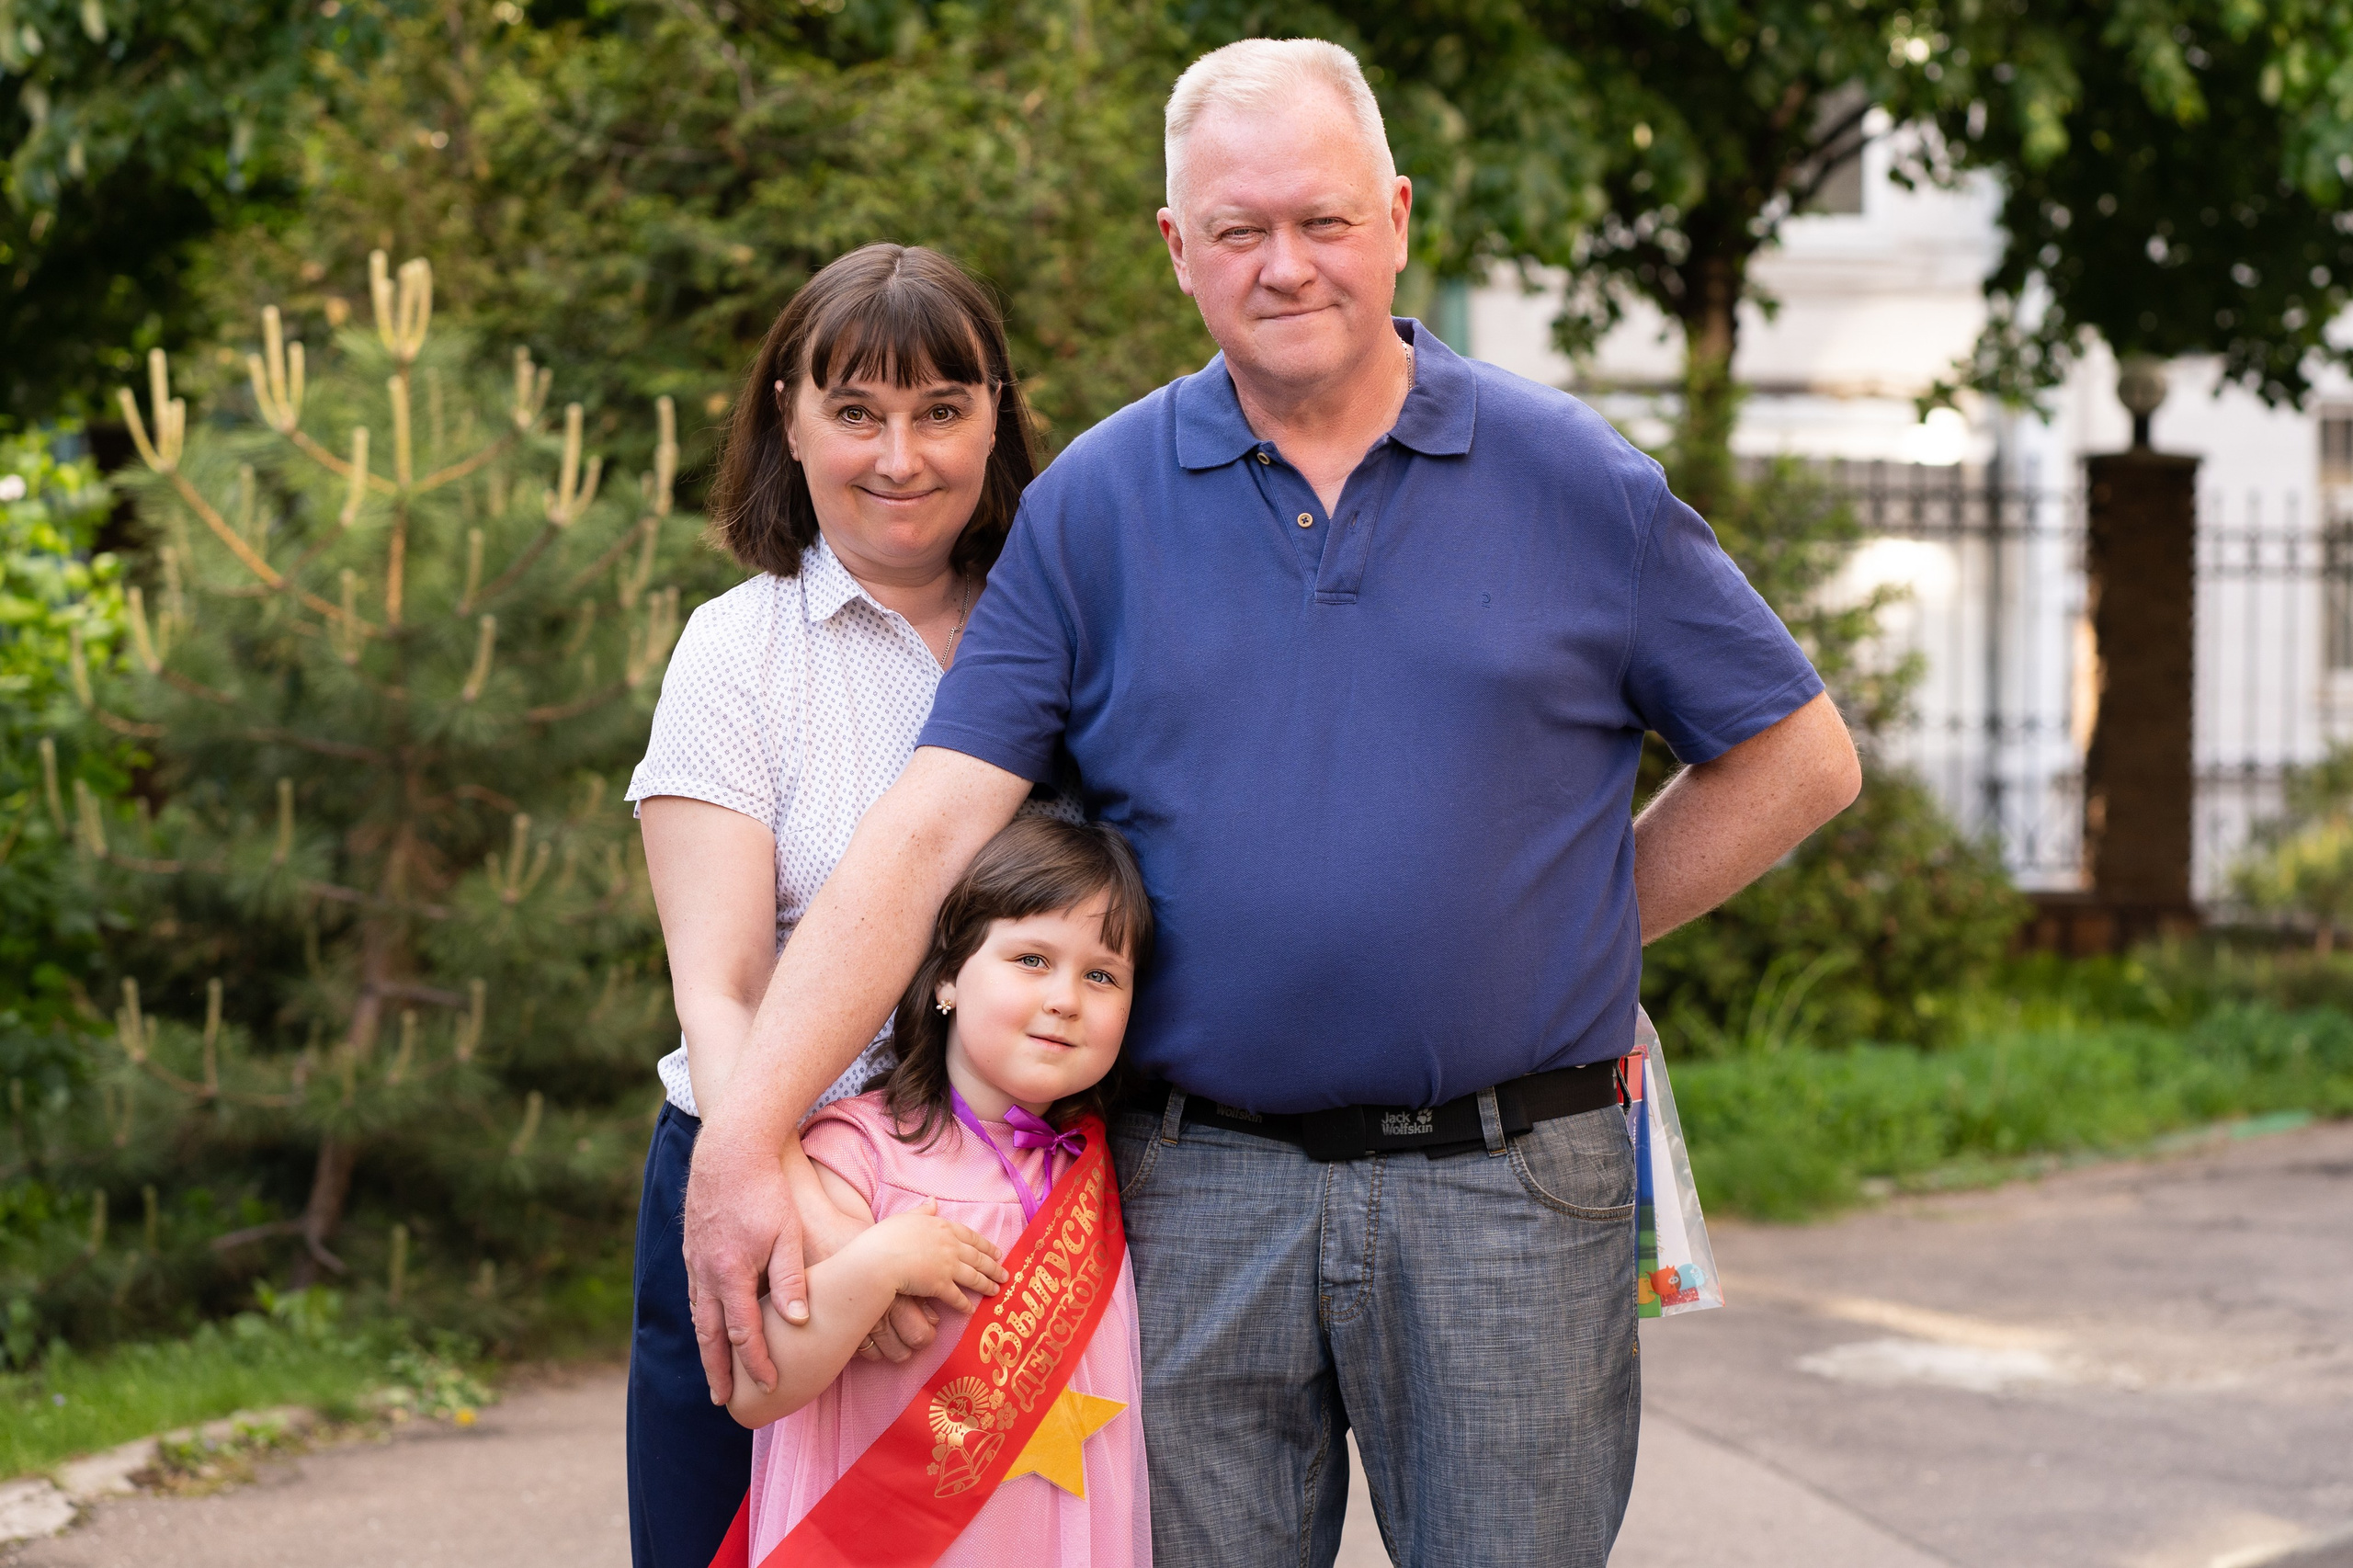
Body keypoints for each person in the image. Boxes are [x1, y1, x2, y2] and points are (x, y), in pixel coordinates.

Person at [684, 37, 1863, 1568]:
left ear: (1398, 216)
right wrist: (742, 1144)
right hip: (1196, 1187)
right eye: (1239, 231)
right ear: (1181, 250)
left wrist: (1573, 914)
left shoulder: (1577, 481)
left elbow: (1801, 755)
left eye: (1322, 220)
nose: (1286, 264)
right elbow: (927, 829)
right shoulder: (1095, 511)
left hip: (1513, 1187)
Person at [621, 242, 1040, 1568]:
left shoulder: (1065, 635)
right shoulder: (738, 651)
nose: (900, 455)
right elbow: (723, 983)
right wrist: (808, 1202)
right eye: (856, 411)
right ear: (788, 423)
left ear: (997, 421)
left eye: (940, 410)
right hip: (767, 1184)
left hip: (1015, 1200)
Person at [725, 815, 1154, 1565]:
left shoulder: (1093, 1170)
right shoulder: (857, 1154)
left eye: (1101, 975)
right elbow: (756, 1390)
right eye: (1030, 958)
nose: (1065, 998)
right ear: (949, 976)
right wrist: (878, 1263)